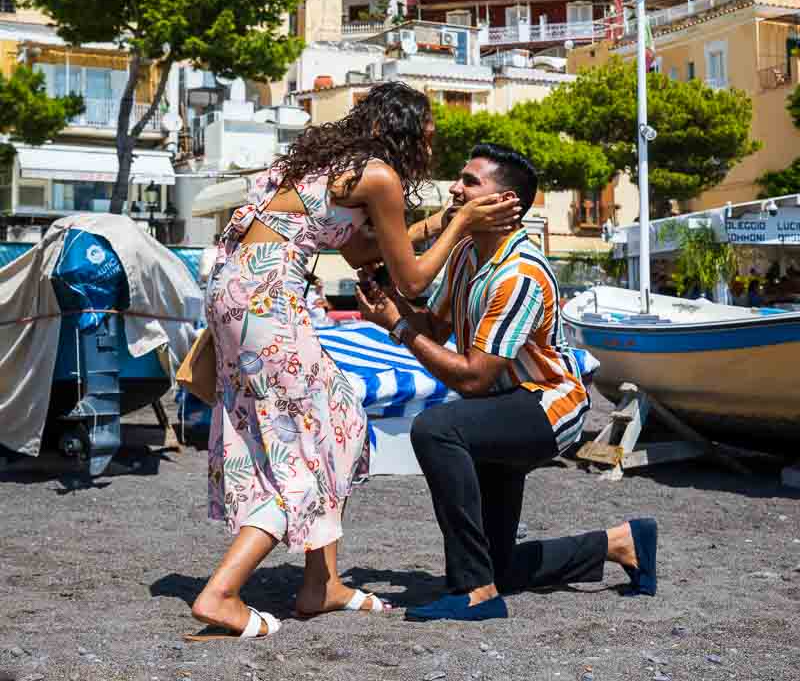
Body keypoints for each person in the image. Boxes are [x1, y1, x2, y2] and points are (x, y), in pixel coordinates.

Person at [188, 86, 521, 641]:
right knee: (308, 448)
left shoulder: (328, 164)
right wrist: (462, 223)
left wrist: (442, 220)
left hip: (238, 295)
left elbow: (363, 253)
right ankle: (221, 594)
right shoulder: (380, 177)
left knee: (339, 419)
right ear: (405, 130)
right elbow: (412, 280)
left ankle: (323, 582)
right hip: (268, 303)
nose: (435, 138)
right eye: (430, 128)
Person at [357, 141, 658, 623]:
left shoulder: (518, 273)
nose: (455, 187)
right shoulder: (466, 256)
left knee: (437, 429)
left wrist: (398, 327)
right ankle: (622, 543)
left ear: (502, 203)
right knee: (501, 567)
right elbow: (437, 328)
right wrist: (390, 310)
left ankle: (474, 592)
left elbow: (474, 379)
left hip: (547, 406)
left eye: (470, 182)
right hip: (504, 407)